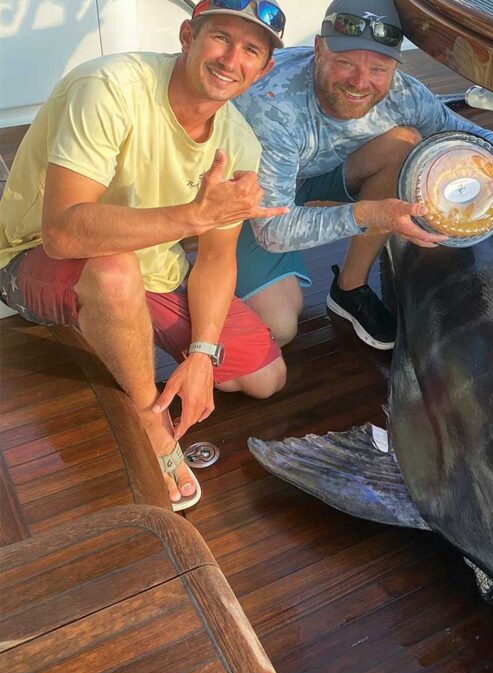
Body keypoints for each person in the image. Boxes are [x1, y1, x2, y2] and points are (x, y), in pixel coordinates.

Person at [0, 0, 291, 512]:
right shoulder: (110, 86)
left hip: (153, 267)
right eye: (221, 37)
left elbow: (218, 260)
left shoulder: (239, 141)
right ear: (187, 35)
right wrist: (193, 216)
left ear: (264, 68)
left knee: (263, 378)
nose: (231, 59)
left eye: (251, 50)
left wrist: (202, 354)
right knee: (113, 270)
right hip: (30, 255)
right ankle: (147, 421)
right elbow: (62, 236)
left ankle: (116, 335)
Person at [231, 0, 493, 350]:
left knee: (405, 144)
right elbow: (273, 232)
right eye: (345, 62)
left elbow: (450, 125)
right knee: (280, 325)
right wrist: (371, 215)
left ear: (393, 67)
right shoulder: (274, 107)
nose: (360, 82)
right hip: (252, 197)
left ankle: (350, 288)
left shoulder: (404, 92)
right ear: (318, 49)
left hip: (317, 171)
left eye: (378, 69)